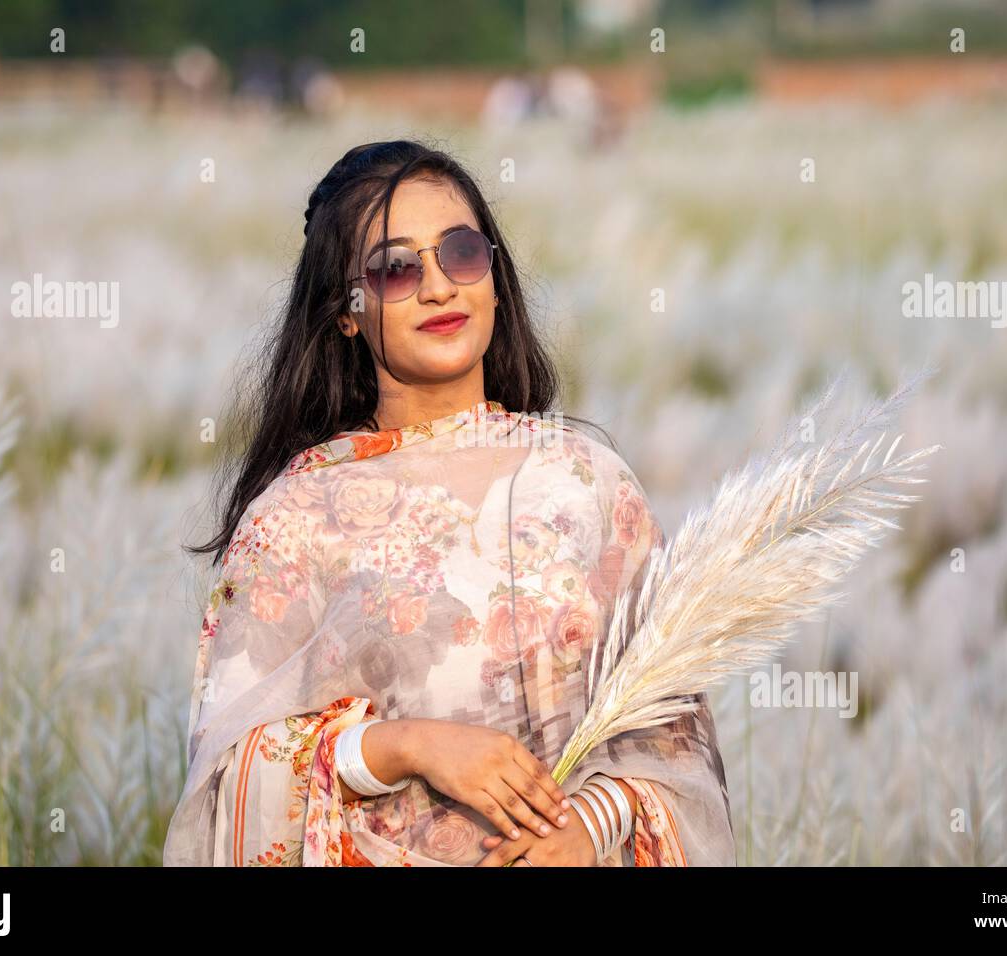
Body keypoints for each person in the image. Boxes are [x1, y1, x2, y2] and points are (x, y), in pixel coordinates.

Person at [164, 140, 736, 867]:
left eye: (462, 254)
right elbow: (226, 780)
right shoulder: (295, 518)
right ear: (345, 310)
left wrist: (590, 828)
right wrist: (406, 747)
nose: (438, 287)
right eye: (396, 268)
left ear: (494, 278)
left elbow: (673, 737)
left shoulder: (588, 482)